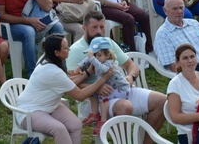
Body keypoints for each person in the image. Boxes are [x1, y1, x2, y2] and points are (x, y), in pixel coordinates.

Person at [65, 10, 166, 144]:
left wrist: (130, 77)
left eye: (102, 27)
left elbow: (132, 66)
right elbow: (70, 85)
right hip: (93, 100)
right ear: (84, 28)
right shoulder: (76, 50)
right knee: (125, 107)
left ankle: (146, 142)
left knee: (162, 100)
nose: (99, 31)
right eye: (94, 27)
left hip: (120, 88)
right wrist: (96, 88)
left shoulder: (107, 43)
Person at [16, 33, 113, 144]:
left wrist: (88, 72)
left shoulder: (47, 58)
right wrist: (102, 79)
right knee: (59, 129)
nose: (69, 49)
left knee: (75, 125)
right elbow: (80, 95)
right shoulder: (52, 71)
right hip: (29, 111)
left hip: (50, 106)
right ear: (56, 53)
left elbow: (68, 83)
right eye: (66, 48)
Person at [76, 37, 130, 135]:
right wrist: (79, 67)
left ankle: (103, 121)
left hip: (122, 90)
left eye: (99, 55)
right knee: (92, 92)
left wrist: (92, 58)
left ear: (107, 54)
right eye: (95, 55)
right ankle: (95, 114)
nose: (96, 58)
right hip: (112, 88)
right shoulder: (98, 59)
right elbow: (87, 60)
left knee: (102, 95)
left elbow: (103, 70)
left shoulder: (108, 63)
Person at [155, 0, 199, 76]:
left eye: (181, 8)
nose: (179, 11)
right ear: (165, 11)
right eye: (175, 9)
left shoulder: (194, 24)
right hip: (189, 75)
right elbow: (173, 66)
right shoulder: (163, 34)